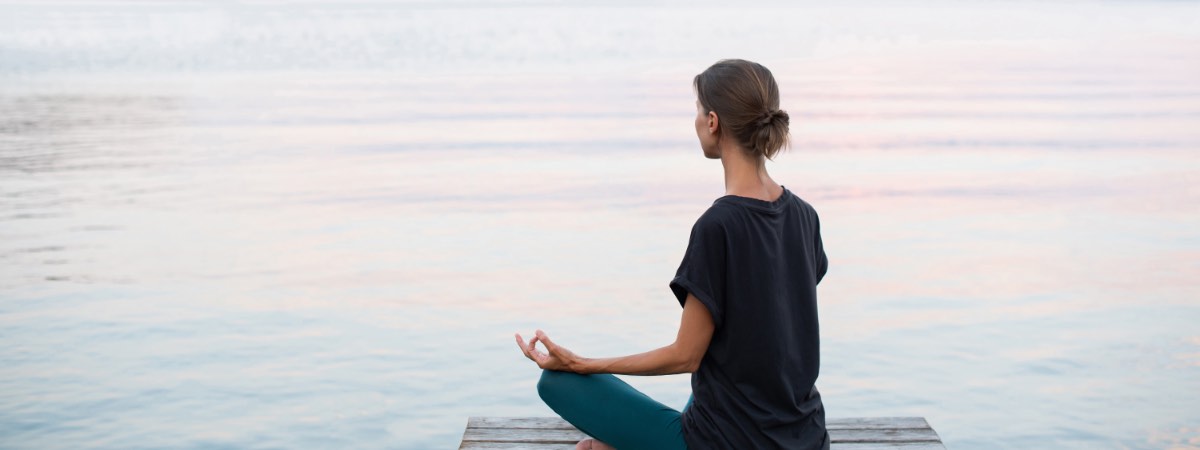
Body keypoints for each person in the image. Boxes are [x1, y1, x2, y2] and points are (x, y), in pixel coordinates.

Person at [515, 59, 830, 450]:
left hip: (728, 443)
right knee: (603, 445)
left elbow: (686, 356)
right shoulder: (804, 215)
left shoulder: (718, 226)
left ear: (713, 121)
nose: (696, 121)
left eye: (698, 111)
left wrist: (581, 363)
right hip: (806, 437)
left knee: (557, 383)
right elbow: (768, 328)